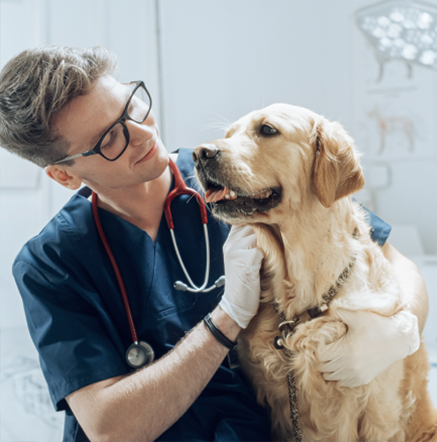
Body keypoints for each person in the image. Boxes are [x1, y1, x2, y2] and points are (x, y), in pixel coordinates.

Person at [0, 46, 428, 442]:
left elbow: (391, 260)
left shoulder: (240, 183)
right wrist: (227, 319)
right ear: (64, 175)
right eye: (109, 138)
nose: (142, 133)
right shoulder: (52, 262)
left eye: (132, 106)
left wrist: (400, 328)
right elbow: (110, 428)